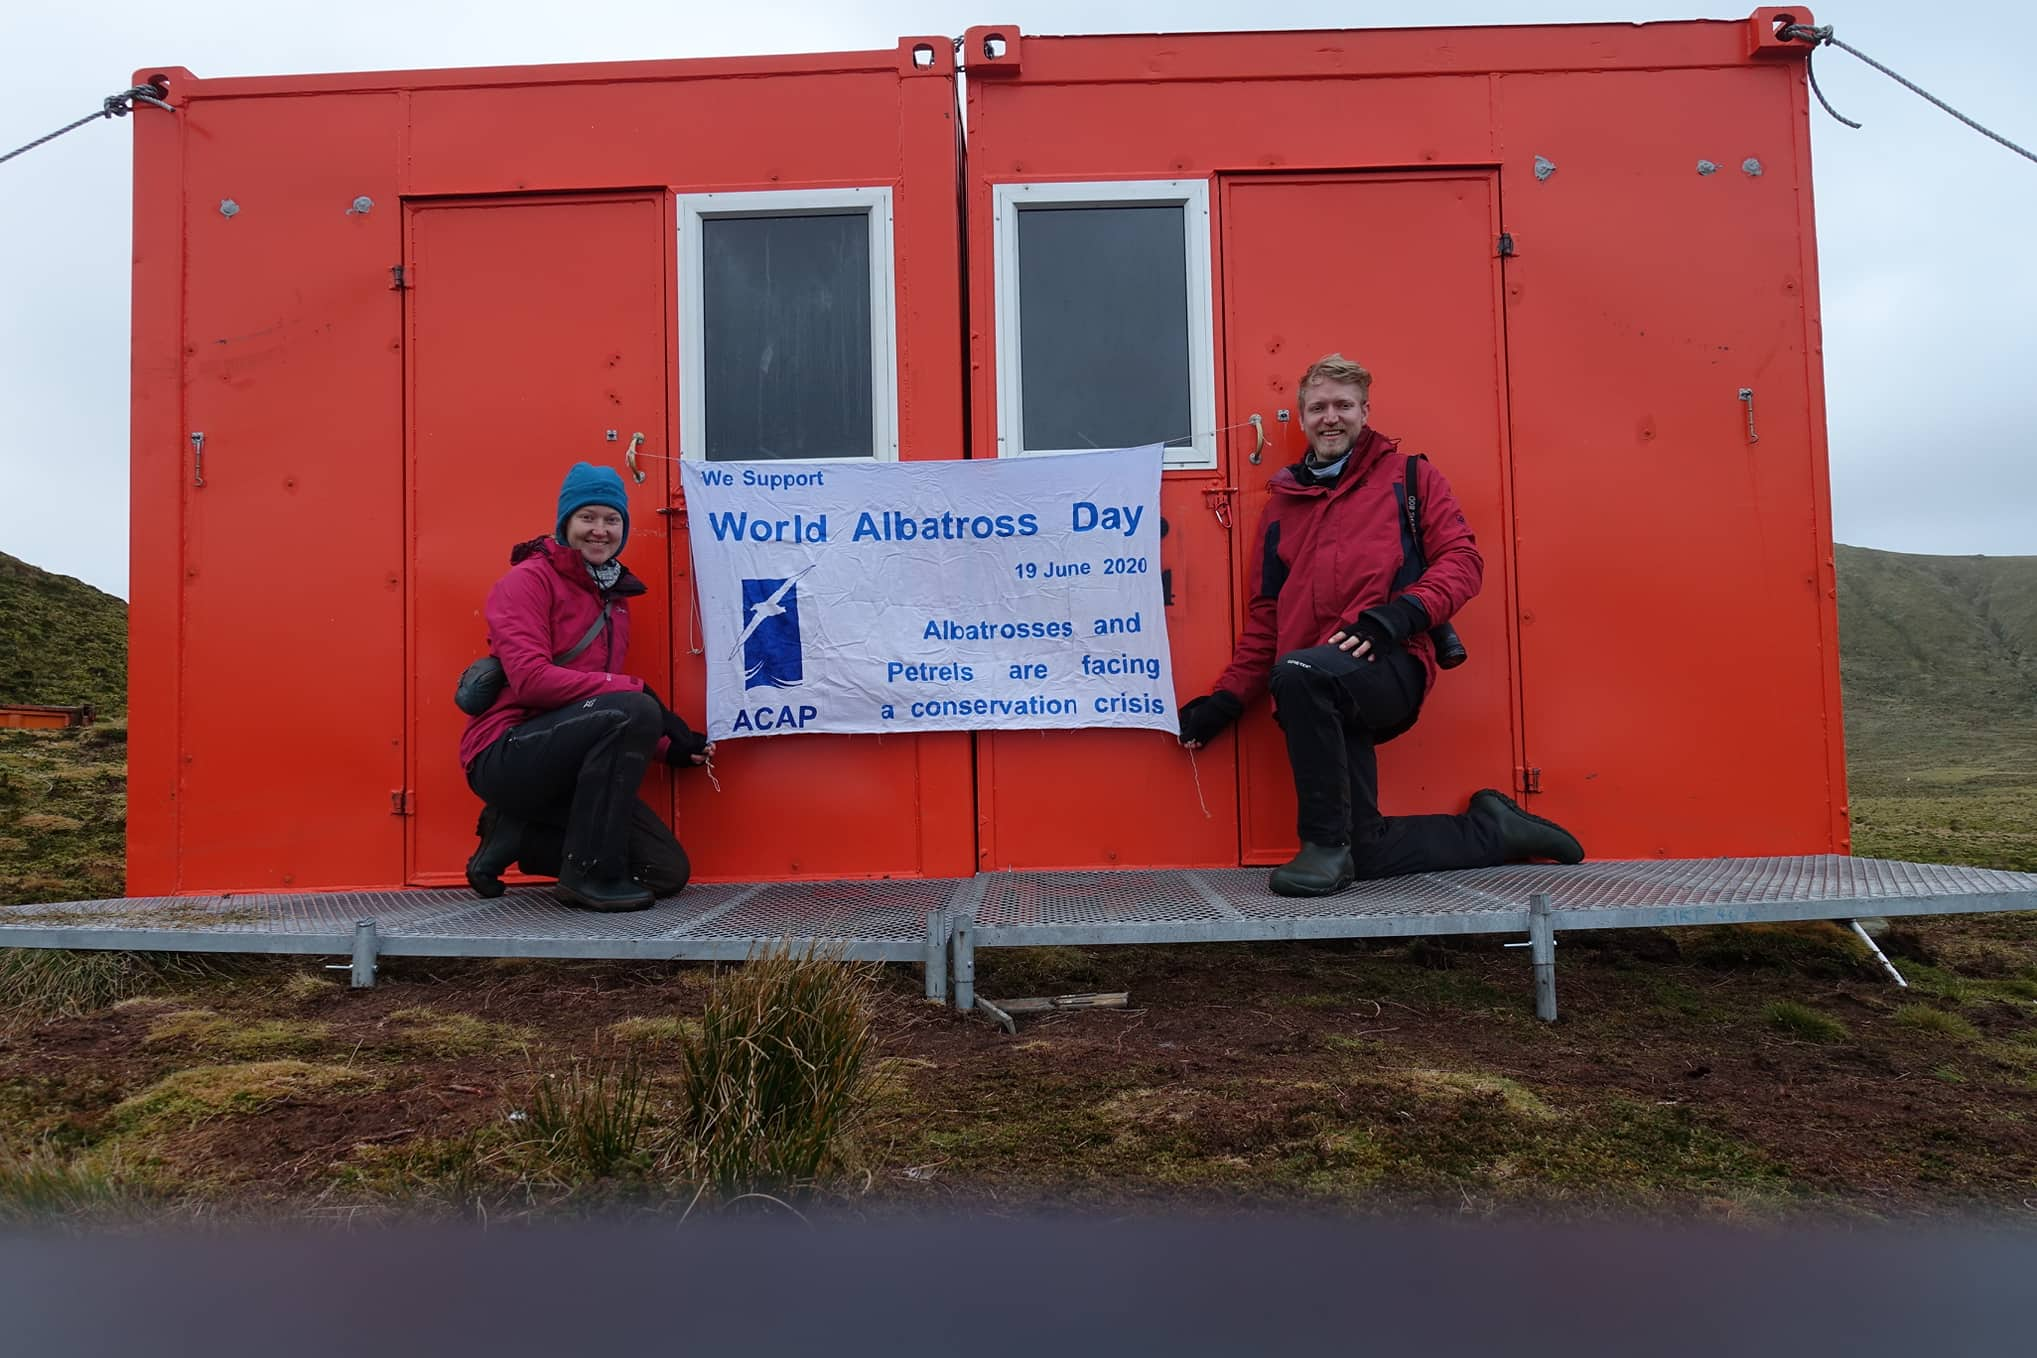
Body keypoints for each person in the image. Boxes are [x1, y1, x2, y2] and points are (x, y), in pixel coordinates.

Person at [1178, 355, 1584, 896]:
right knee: (1363, 849)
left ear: (1364, 412)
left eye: (1343, 406)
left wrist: (1398, 616)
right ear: (1300, 419)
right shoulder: (1282, 508)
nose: (1331, 418)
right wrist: (1225, 702)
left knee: (1300, 672)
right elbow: (1267, 618)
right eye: (1318, 407)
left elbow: (1463, 561)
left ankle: (1320, 845)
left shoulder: (1410, 477)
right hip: (1312, 684)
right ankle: (1494, 830)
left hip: (1390, 666)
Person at [457, 462, 713, 911]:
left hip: (567, 765)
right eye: (587, 518)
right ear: (565, 523)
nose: (600, 530)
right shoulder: (526, 582)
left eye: (611, 520)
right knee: (636, 707)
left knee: (665, 873)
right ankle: (587, 876)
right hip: (505, 753)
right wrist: (639, 694)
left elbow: (597, 708)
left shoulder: (612, 599)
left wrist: (668, 747)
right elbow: (534, 683)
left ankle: (516, 834)